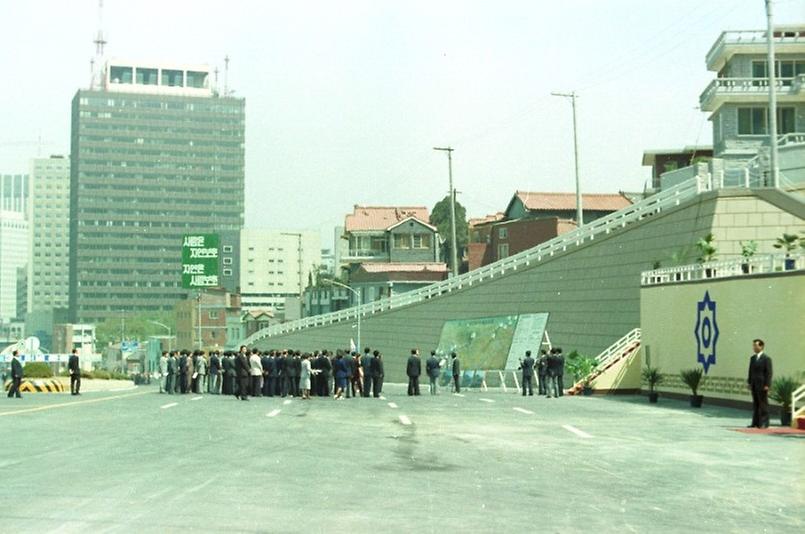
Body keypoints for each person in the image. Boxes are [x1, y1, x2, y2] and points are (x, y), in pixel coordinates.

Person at [747, 339, 773, 428]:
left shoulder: (766, 359)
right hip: (754, 384)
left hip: (762, 384)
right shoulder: (753, 358)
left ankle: (764, 423)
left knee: (763, 404)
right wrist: (750, 382)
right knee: (756, 403)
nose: (754, 347)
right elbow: (750, 371)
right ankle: (755, 422)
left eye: (756, 345)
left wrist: (767, 385)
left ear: (761, 346)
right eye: (753, 345)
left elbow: (769, 373)